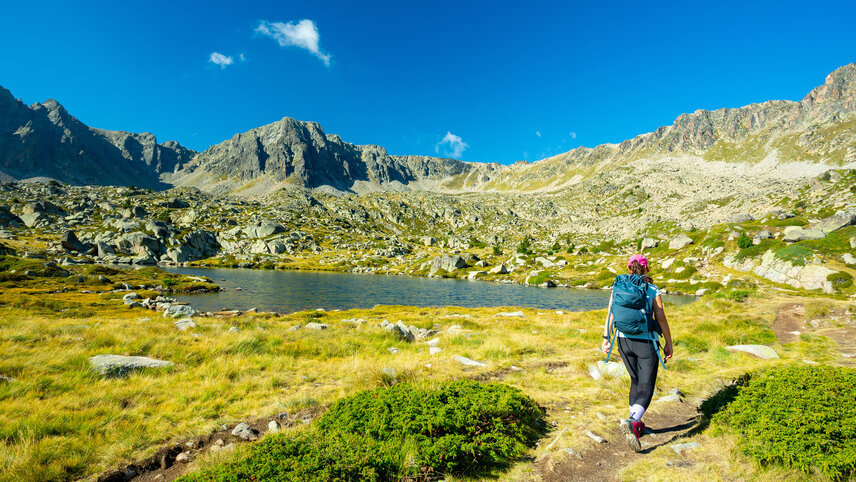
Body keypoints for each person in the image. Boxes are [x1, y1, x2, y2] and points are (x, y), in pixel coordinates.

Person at [601, 254, 673, 452]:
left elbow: (611, 312)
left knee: (634, 381)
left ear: (628, 267)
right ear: (647, 269)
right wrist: (668, 343)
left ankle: (636, 424)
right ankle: (633, 421)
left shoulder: (618, 286)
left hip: (623, 341)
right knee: (647, 384)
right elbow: (661, 318)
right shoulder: (652, 289)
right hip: (646, 342)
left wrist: (606, 338)